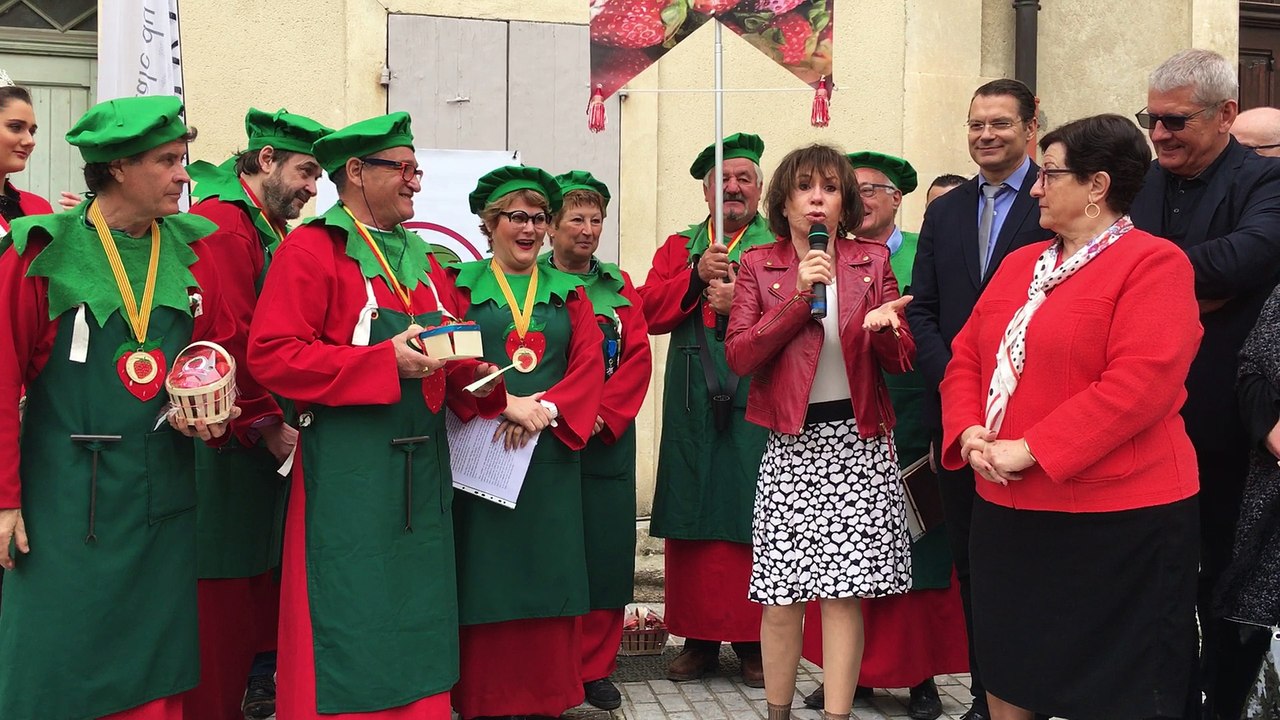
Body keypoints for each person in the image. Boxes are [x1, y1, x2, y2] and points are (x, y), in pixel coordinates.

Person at [0, 95, 255, 720]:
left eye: (182, 159)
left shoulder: (194, 252)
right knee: (56, 656)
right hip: (61, 501)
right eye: (167, 160)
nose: (184, 175)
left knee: (152, 661)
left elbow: (219, 357)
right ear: (116, 166)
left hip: (161, 497)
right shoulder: (40, 252)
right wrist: (4, 499)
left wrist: (218, 418)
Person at [940, 113, 1201, 720]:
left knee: (1119, 687)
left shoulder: (1154, 263)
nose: (1034, 186)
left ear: (1097, 185)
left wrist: (1030, 448)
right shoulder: (1019, 264)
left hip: (1121, 518)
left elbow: (1142, 385)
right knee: (1008, 667)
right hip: (1008, 510)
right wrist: (969, 430)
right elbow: (965, 358)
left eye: (1049, 173)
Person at [248, 112, 504, 720]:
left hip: (421, 471)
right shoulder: (311, 250)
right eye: (405, 168)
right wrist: (381, 364)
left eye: (419, 169)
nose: (417, 181)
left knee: (417, 608)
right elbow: (273, 356)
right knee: (351, 605)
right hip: (349, 478)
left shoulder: (423, 256)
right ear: (357, 173)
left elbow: (451, 349)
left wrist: (490, 388)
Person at [725, 142, 914, 720]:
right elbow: (738, 356)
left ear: (844, 203)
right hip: (792, 445)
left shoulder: (871, 262)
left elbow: (901, 359)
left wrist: (886, 330)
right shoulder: (760, 264)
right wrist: (797, 300)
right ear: (783, 202)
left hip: (858, 445)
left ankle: (837, 715)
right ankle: (777, 712)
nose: (816, 198)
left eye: (829, 188)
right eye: (805, 186)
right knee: (781, 598)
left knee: (841, 595)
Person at [1129, 48, 1280, 718]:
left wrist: (1149, 281)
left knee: (1223, 584)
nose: (1159, 135)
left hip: (1228, 431)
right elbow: (1108, 260)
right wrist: (1196, 287)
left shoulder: (1265, 182)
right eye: (1150, 119)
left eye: (1174, 121)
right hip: (1144, 421)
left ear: (1225, 116)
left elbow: (1250, 256)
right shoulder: (1146, 178)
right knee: (1152, 584)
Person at [903, 78, 1054, 720]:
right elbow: (926, 310)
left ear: (1030, 127)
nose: (985, 135)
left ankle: (1040, 693)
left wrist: (1007, 383)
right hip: (960, 418)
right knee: (973, 560)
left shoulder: (1055, 199)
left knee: (1038, 563)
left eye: (999, 124)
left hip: (1035, 412)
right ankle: (990, 697)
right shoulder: (946, 210)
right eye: (975, 125)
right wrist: (957, 386)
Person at [800, 153, 969, 720]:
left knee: (918, 553)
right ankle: (853, 678)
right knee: (841, 561)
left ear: (898, 199)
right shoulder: (824, 257)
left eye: (875, 188)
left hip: (917, 418)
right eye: (856, 188)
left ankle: (920, 676)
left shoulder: (926, 252)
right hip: (840, 430)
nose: (863, 198)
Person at [184, 106, 331, 720]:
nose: (312, 187)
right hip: (227, 440)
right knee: (223, 584)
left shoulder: (264, 226)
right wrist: (266, 421)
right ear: (265, 160)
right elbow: (228, 337)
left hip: (253, 434)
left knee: (251, 579)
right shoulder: (223, 224)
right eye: (305, 171)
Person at [449, 165, 605, 719]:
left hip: (547, 456)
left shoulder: (571, 294)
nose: (530, 229)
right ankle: (486, 697)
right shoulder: (461, 287)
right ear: (490, 223)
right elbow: (450, 359)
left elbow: (590, 367)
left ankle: (545, 697)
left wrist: (545, 408)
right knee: (484, 573)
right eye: (517, 217)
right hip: (481, 456)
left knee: (548, 571)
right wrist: (497, 402)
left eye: (539, 218)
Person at [639, 133, 774, 685]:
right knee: (694, 511)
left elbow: (803, 311)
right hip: (695, 399)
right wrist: (694, 276)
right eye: (724, 180)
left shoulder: (781, 244)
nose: (734, 188)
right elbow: (647, 312)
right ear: (706, 190)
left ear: (760, 187)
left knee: (754, 512)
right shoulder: (679, 246)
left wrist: (742, 294)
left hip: (759, 396)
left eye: (744, 178)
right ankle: (697, 638)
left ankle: (753, 641)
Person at [539, 170, 652, 711]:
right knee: (552, 551)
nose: (587, 229)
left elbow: (637, 359)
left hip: (606, 439)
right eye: (575, 219)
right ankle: (551, 666)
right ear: (551, 226)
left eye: (596, 219)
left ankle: (595, 670)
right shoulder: (531, 282)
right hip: (547, 441)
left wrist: (604, 415)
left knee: (605, 554)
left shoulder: (619, 286)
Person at [0, 79, 54, 614]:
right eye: (16, 127)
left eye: (33, 129)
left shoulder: (34, 208)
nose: (30, 139)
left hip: (26, 402)